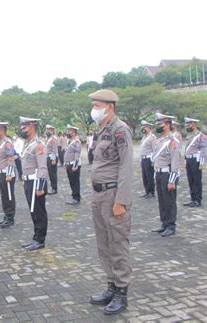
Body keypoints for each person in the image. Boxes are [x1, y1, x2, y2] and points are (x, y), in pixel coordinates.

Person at [87, 89, 133, 315]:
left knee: (118, 244)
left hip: (113, 196)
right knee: (104, 244)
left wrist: (121, 201)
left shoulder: (120, 130)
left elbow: (125, 167)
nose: (94, 109)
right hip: (99, 196)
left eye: (97, 105)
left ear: (110, 106)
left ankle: (122, 293)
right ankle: (111, 286)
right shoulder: (101, 129)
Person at [19, 117, 48, 251]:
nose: (22, 130)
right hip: (28, 181)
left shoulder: (39, 144)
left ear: (31, 127)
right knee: (33, 211)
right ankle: (36, 237)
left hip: (36, 182)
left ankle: (40, 240)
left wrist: (40, 187)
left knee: (39, 211)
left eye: (24, 128)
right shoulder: (28, 143)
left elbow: (42, 167)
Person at [150, 113, 181, 238]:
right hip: (159, 173)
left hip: (167, 174)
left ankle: (171, 226)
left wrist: (172, 181)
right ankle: (164, 223)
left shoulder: (172, 141)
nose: (158, 126)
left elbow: (175, 162)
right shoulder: (159, 141)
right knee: (162, 201)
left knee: (169, 201)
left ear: (167, 125)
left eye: (160, 124)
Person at [0, 121, 16, 228]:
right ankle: (6, 216)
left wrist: (9, 174)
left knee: (9, 195)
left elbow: (11, 159)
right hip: (1, 173)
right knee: (3, 195)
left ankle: (10, 218)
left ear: (1, 130)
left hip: (7, 173)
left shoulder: (7, 143)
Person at [183, 117, 205, 207]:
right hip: (189, 160)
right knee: (190, 180)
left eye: (189, 124)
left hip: (196, 160)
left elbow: (204, 149)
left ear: (194, 125)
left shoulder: (201, 136)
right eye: (187, 125)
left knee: (196, 181)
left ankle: (198, 200)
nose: (187, 126)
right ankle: (192, 199)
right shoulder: (189, 135)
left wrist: (201, 163)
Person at [64, 125, 82, 205]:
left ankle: (76, 198)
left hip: (73, 165)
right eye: (68, 131)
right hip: (69, 164)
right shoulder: (69, 141)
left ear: (74, 132)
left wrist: (75, 165)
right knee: (71, 181)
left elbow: (77, 154)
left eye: (69, 131)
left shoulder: (76, 142)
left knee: (75, 182)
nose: (68, 132)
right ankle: (73, 195)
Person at [139, 121, 157, 198]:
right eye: (142, 127)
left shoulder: (152, 137)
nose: (143, 129)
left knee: (150, 176)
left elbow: (155, 150)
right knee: (144, 176)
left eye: (145, 127)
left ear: (149, 128)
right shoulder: (144, 137)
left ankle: (151, 192)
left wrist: (153, 161)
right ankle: (147, 191)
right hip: (143, 159)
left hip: (149, 159)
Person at [45, 124, 58, 194]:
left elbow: (54, 150)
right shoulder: (49, 138)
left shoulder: (53, 139)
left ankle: (54, 188)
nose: (47, 131)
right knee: (50, 173)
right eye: (47, 130)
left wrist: (53, 159)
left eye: (49, 130)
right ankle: (53, 187)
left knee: (52, 174)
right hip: (48, 157)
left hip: (52, 158)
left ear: (52, 130)